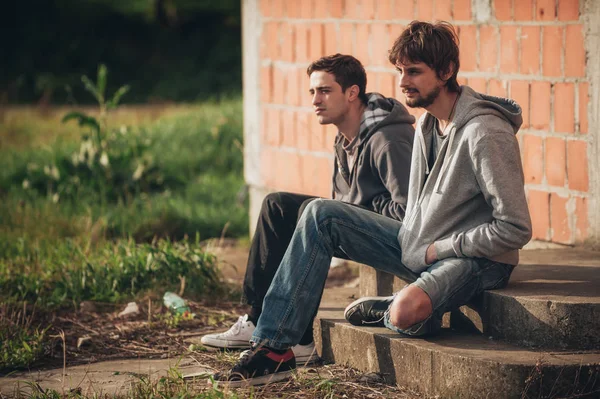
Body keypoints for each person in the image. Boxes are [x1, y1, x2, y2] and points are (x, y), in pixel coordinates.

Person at [210, 20, 533, 387]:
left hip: (477, 260)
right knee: (320, 214)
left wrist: (440, 248)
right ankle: (274, 347)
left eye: (414, 71)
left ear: (447, 72)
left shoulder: (485, 133)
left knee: (405, 314)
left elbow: (515, 228)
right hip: (423, 246)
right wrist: (419, 243)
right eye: (400, 71)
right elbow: (416, 212)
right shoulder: (428, 124)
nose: (402, 82)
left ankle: (393, 307)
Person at [200, 54, 415, 365]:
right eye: (313, 92)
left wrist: (358, 205)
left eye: (325, 91)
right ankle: (258, 319)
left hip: (398, 243)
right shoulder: (346, 138)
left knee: (318, 211)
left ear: (352, 93)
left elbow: (407, 214)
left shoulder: (388, 139)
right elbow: (345, 199)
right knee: (277, 206)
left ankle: (286, 338)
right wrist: (353, 205)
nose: (316, 100)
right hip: (356, 224)